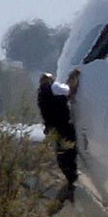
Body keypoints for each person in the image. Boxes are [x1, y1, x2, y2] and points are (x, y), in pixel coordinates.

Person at [37, 69, 80, 203]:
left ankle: (70, 183)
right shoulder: (54, 87)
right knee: (70, 151)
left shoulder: (41, 95)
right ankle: (73, 182)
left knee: (62, 154)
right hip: (63, 126)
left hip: (53, 129)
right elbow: (70, 91)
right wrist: (74, 76)